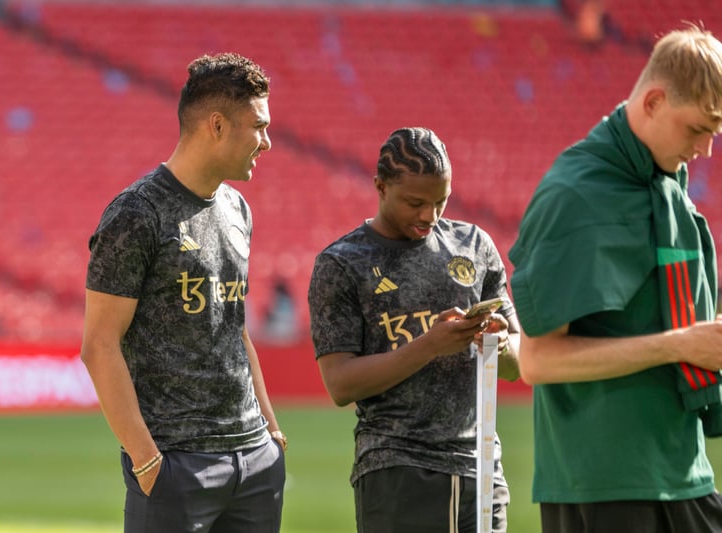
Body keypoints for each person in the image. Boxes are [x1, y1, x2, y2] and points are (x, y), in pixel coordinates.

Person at [509, 25, 722, 533]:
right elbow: (537, 361)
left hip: (680, 469)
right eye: (697, 129)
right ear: (653, 101)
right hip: (604, 485)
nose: (706, 150)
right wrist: (678, 345)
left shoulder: (664, 185)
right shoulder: (573, 194)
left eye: (714, 133)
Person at [80, 52, 286, 533]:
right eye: (258, 126)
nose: (267, 141)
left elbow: (235, 329)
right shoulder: (136, 213)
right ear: (217, 125)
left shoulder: (238, 208)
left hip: (254, 461)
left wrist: (272, 433)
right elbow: (100, 344)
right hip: (178, 466)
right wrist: (148, 462)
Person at [308, 127, 521, 533]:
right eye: (415, 203)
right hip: (397, 471)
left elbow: (517, 361)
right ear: (380, 187)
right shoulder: (342, 263)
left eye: (441, 201)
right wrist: (429, 346)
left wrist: (496, 343)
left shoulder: (474, 246)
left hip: (481, 470)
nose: (429, 216)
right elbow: (340, 384)